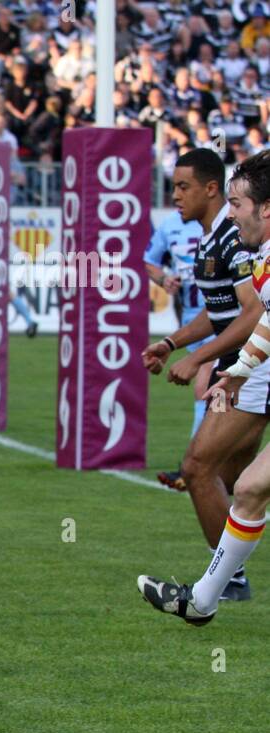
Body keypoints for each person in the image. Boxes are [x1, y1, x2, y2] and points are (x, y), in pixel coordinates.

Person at [139, 150, 270, 625]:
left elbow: (253, 313)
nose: (174, 196)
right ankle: (206, 597)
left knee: (202, 468)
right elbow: (252, 318)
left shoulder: (239, 245)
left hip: (253, 371)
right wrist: (189, 349)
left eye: (239, 203)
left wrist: (207, 359)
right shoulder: (233, 244)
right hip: (251, 370)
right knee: (246, 484)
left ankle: (220, 584)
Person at [144, 207, 207, 490]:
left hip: (229, 324)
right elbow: (150, 261)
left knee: (204, 388)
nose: (177, 195)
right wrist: (163, 279)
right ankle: (215, 464)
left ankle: (192, 466)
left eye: (184, 186)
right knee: (216, 395)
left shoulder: (226, 222)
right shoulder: (170, 225)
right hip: (194, 324)